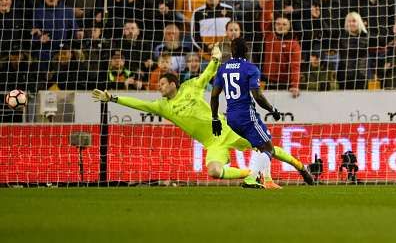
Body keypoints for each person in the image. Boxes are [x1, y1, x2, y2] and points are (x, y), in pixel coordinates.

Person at [92, 45, 273, 188]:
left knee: (265, 146)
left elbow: (207, 74)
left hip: (228, 128)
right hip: (212, 143)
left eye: (162, 84)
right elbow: (139, 103)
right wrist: (113, 98)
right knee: (214, 171)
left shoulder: (190, 87)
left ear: (173, 84)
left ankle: (298, 168)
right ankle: (251, 173)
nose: (159, 87)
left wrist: (215, 59)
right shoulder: (162, 106)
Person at [210, 37, 314, 188]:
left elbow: (214, 96)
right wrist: (273, 110)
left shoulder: (222, 68)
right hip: (247, 116)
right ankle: (251, 179)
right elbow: (258, 96)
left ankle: (270, 178)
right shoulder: (250, 68)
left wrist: (214, 118)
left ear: (232, 51)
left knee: (263, 147)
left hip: (231, 117)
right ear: (247, 51)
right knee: (269, 149)